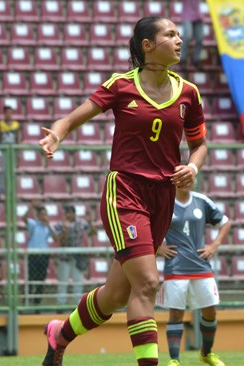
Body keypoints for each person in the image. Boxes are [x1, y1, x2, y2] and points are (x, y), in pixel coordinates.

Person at [38, 16, 208, 366]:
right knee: (147, 282)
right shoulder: (121, 85)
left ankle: (60, 334)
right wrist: (56, 134)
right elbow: (70, 119)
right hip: (125, 192)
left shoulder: (188, 93)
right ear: (148, 45)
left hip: (163, 197)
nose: (179, 40)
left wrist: (192, 167)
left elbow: (200, 145)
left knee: (117, 294)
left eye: (179, 34)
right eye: (170, 34)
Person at [157, 186, 232, 366]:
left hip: (201, 266)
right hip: (176, 267)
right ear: (174, 181)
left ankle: (206, 353)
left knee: (210, 311)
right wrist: (158, 247)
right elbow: (148, 225)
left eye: (189, 176)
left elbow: (225, 222)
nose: (186, 181)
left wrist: (214, 246)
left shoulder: (202, 200)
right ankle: (174, 360)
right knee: (176, 314)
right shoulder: (164, 201)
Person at [53, 205, 97, 307]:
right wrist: (66, 230)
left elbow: (93, 233)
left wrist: (90, 222)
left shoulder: (81, 223)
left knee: (78, 281)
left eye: (69, 213)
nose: (67, 215)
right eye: (66, 213)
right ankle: (61, 305)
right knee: (63, 281)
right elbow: (60, 241)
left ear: (74, 213)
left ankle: (78, 305)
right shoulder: (60, 225)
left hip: (78, 258)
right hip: (64, 257)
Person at [22, 201, 58, 306]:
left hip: (44, 256)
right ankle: (26, 302)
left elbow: (56, 238)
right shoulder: (33, 224)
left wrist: (49, 226)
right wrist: (31, 207)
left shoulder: (49, 226)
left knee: (41, 280)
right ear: (37, 215)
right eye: (42, 214)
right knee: (30, 279)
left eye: (45, 214)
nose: (44, 216)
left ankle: (37, 304)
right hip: (33, 255)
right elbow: (24, 219)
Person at [0, 105, 20, 200]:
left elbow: (18, 138)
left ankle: (11, 190)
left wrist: (18, 151)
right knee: (3, 170)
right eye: (7, 112)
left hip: (13, 149)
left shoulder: (16, 124)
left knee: (12, 171)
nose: (9, 114)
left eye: (11, 112)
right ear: (4, 113)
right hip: (4, 149)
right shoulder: (1, 124)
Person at [180, 0, 203, 69]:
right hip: (187, 15)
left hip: (198, 15)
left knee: (200, 39)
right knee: (187, 37)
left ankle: (196, 60)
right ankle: (182, 59)